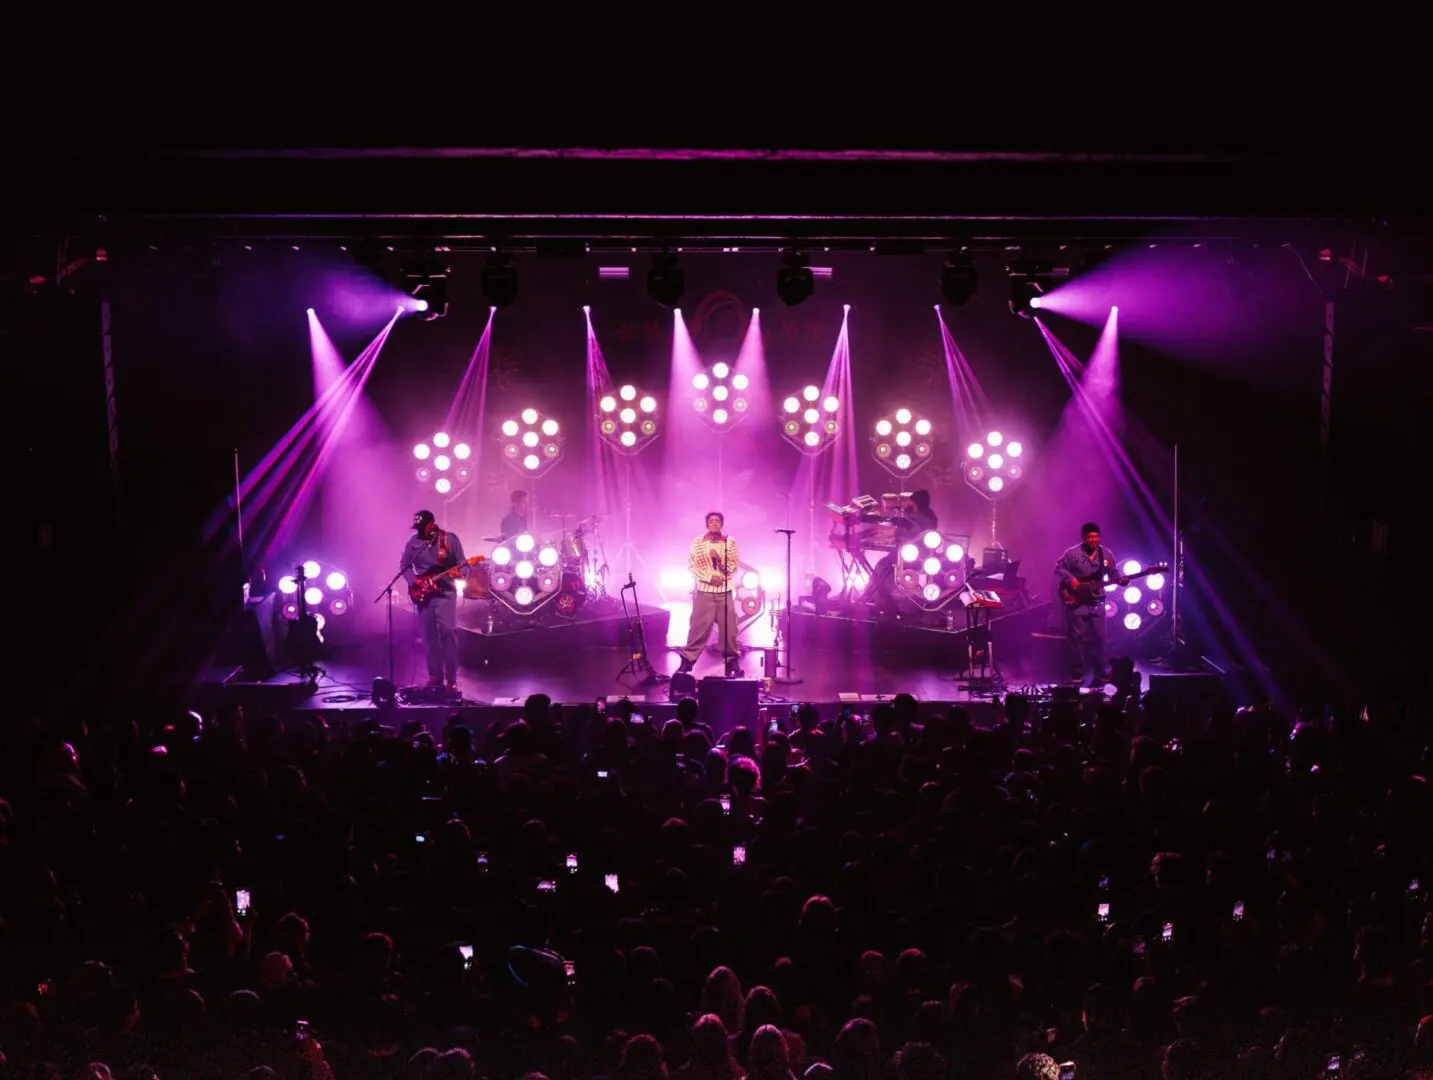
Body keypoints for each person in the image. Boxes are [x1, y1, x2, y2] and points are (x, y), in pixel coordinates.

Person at [400, 509, 469, 690]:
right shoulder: (413, 543)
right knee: (428, 636)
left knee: (448, 632)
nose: (420, 531)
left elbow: (464, 565)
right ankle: (434, 676)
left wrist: (459, 572)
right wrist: (414, 581)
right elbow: (404, 566)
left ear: (432, 524)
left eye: (424, 527)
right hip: (423, 595)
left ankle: (452, 679)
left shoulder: (449, 539)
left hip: (445, 593)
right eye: (418, 528)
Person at [1054, 521, 1128, 686]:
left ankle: (1101, 671)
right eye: (1090, 537)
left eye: (1096, 536)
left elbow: (1114, 572)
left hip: (1097, 600)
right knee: (1076, 637)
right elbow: (1058, 568)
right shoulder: (1071, 553)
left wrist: (1120, 579)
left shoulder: (1106, 554)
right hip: (1077, 601)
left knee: (1100, 637)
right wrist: (1071, 579)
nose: (1093, 540)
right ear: (1083, 538)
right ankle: (1077, 672)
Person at [676, 511, 742, 677]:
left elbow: (733, 566)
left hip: (724, 592)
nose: (714, 523)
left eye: (717, 521)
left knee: (729, 628)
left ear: (722, 524)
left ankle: (732, 660)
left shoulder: (729, 542)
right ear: (707, 524)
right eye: (711, 521)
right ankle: (687, 661)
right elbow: (692, 566)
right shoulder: (697, 542)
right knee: (698, 627)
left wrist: (719, 561)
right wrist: (709, 577)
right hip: (704, 591)